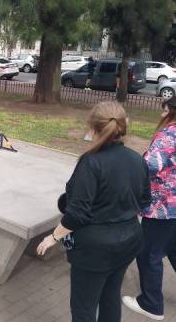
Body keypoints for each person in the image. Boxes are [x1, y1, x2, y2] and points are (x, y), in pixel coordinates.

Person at [37, 101, 151, 322]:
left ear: (92, 127)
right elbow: (144, 200)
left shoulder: (91, 162)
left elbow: (76, 215)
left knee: (83, 308)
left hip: (95, 250)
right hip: (129, 242)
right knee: (110, 296)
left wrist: (53, 237)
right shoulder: (137, 159)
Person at [122, 97, 176, 321]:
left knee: (148, 254)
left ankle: (151, 304)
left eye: (166, 107)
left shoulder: (169, 134)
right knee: (173, 249)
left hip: (161, 207)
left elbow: (151, 165)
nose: (162, 110)